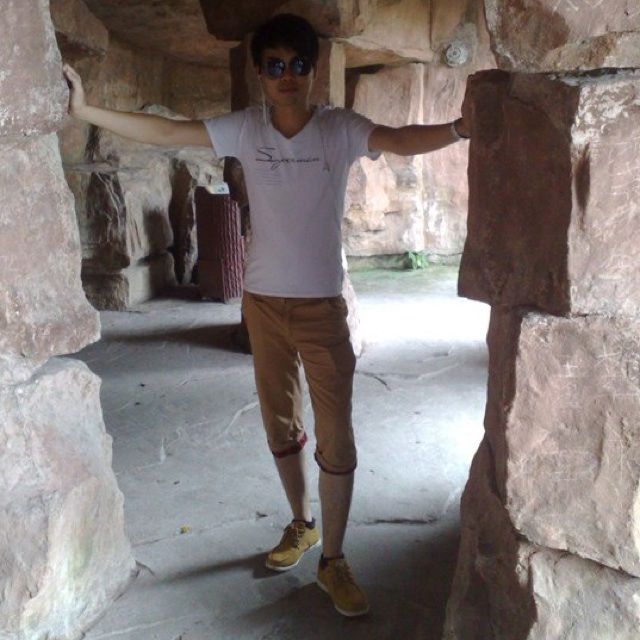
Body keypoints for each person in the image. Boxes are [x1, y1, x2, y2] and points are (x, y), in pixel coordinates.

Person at [63, 13, 470, 619]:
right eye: (275, 65)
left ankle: (333, 559)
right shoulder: (247, 129)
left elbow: (400, 138)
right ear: (260, 73)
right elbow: (169, 132)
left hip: (321, 307)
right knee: (281, 425)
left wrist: (461, 127)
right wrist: (86, 111)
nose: (287, 76)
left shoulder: (337, 129)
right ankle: (302, 524)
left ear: (313, 72)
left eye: (298, 65)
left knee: (337, 435)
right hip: (262, 304)